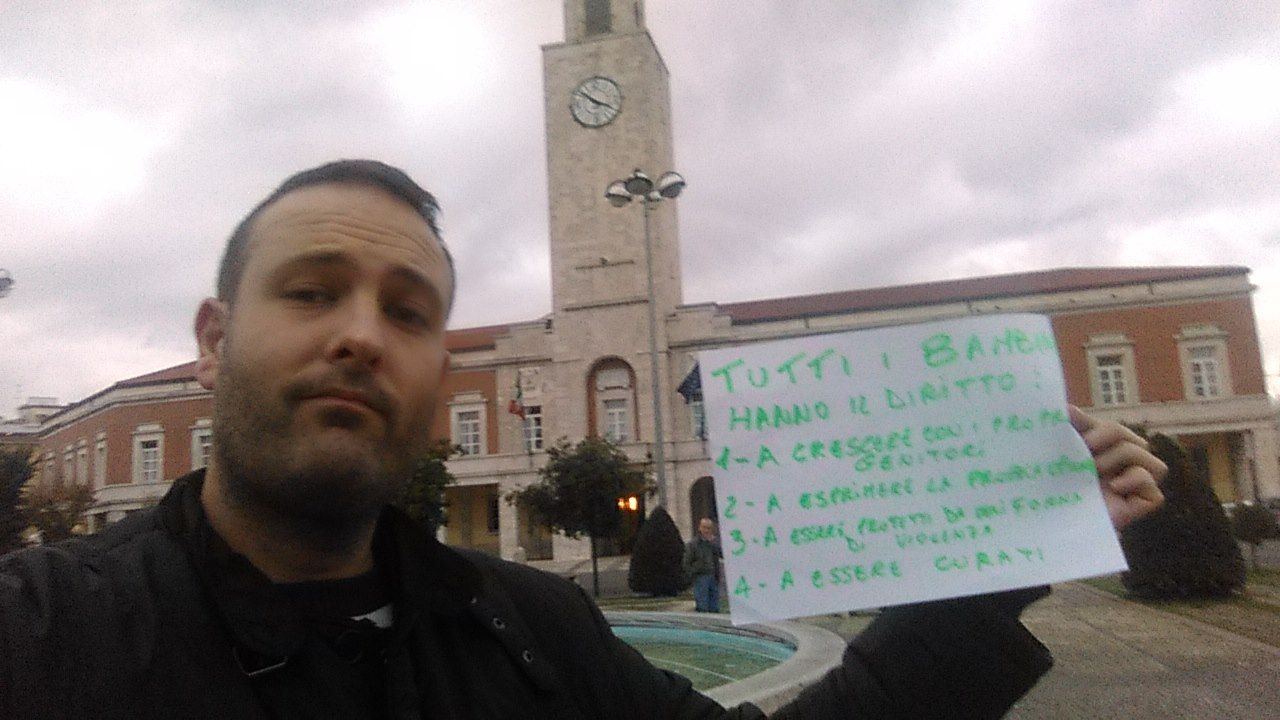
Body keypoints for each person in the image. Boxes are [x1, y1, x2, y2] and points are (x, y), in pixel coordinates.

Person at [0, 160, 1167, 720]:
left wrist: (995, 561)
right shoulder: (38, 636)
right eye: (310, 292)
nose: (360, 335)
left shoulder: (530, 631)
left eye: (408, 312)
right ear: (212, 342)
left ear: (439, 374)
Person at [684, 517, 723, 612]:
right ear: (700, 528)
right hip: (700, 577)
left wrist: (714, 543)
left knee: (714, 606)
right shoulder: (693, 544)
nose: (706, 530)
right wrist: (695, 572)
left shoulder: (714, 543)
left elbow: (722, 554)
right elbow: (686, 563)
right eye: (704, 527)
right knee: (702, 606)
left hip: (713, 576)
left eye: (709, 528)